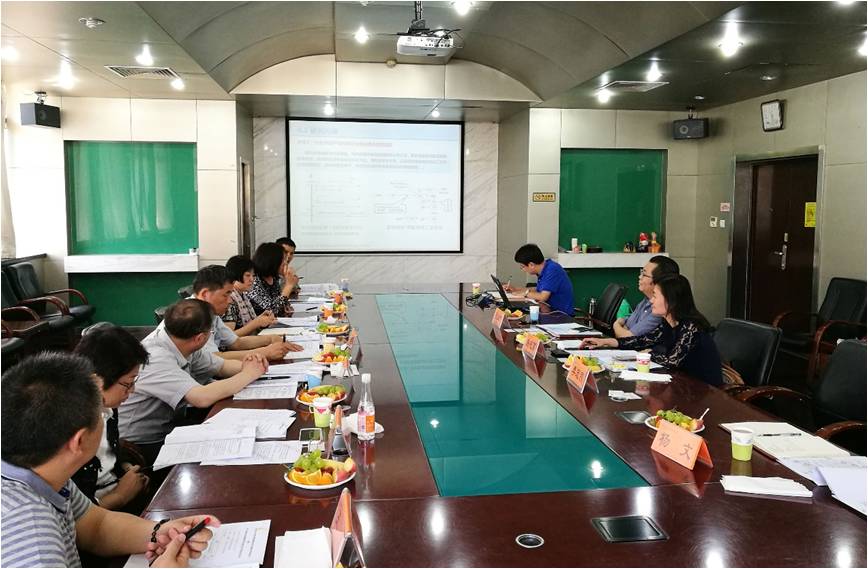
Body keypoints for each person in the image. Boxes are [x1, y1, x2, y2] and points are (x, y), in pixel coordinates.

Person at [1, 352, 220, 568]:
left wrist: (161, 532)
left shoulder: (43, 470)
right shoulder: (28, 528)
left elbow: (96, 526)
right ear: (79, 441)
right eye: (102, 415)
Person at [118, 299, 268, 464]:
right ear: (200, 338)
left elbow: (222, 367)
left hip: (170, 425)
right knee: (224, 450)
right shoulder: (156, 357)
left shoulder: (182, 342)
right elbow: (201, 398)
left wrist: (252, 365)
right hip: (141, 443)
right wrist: (248, 374)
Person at [582, 274, 723, 386]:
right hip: (680, 383)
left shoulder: (691, 327)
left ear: (670, 300)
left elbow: (672, 361)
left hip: (703, 390)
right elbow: (641, 341)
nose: (651, 301)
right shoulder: (668, 323)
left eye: (655, 296)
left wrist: (649, 354)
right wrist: (605, 342)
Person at [71, 326, 150, 512]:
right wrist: (120, 496)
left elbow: (109, 450)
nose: (132, 390)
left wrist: (127, 469)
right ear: (96, 381)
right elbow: (74, 515)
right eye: (128, 383)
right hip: (100, 511)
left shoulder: (107, 406)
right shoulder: (68, 429)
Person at [190, 265, 298, 364]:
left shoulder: (210, 313)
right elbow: (213, 358)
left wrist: (271, 339)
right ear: (205, 294)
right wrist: (264, 352)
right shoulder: (192, 316)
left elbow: (236, 342)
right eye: (226, 294)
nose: (230, 301)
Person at [612, 256, 680, 338]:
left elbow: (627, 337)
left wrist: (616, 324)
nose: (639, 277)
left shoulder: (660, 312)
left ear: (658, 281)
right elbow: (627, 325)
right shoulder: (646, 300)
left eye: (644, 274)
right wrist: (622, 327)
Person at [504, 243, 574, 315]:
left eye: (522, 266)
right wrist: (516, 289)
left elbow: (543, 297)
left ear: (531, 265)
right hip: (547, 311)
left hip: (560, 316)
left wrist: (525, 293)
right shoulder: (545, 268)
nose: (522, 269)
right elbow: (539, 289)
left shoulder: (552, 270)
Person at [223, 255, 276, 336]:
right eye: (247, 275)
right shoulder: (230, 299)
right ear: (235, 275)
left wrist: (261, 321)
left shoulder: (243, 295)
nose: (252, 279)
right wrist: (256, 323)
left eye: (253, 276)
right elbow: (228, 338)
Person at [249, 242, 299, 316]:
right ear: (272, 261)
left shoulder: (273, 278)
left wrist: (286, 307)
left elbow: (280, 303)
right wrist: (289, 286)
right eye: (283, 260)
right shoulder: (254, 280)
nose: (285, 263)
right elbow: (272, 310)